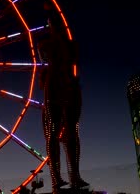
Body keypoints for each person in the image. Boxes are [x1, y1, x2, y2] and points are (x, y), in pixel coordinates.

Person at [37, 17, 89, 193]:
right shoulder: (45, 45)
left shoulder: (65, 45)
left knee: (72, 131)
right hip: (59, 84)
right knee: (54, 131)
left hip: (67, 85)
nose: (56, 26)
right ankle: (57, 177)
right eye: (53, 23)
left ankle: (74, 175)